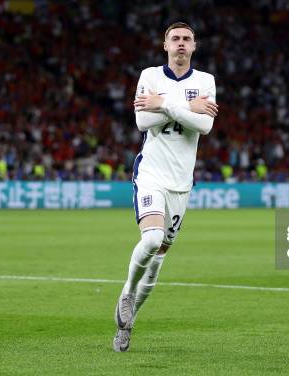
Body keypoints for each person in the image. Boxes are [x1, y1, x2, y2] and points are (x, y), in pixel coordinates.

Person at [113, 22, 218, 352]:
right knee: (153, 237)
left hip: (181, 183)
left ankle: (127, 324)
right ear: (165, 45)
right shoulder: (149, 76)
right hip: (151, 175)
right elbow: (143, 121)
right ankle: (127, 290)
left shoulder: (205, 81)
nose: (181, 44)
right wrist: (187, 107)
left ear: (195, 46)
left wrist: (165, 104)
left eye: (187, 39)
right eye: (175, 39)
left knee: (158, 261)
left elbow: (205, 125)